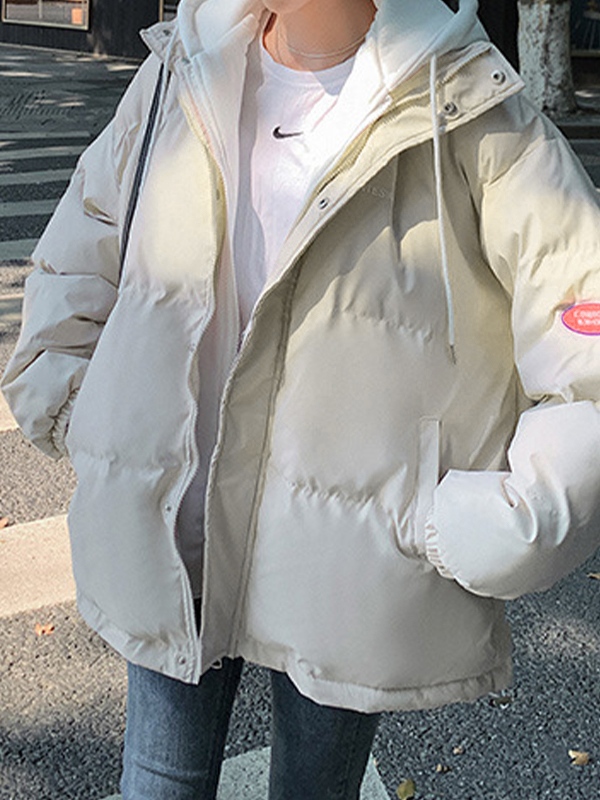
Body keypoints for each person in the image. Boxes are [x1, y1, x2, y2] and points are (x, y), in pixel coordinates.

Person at [3, 0, 600, 797]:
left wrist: (492, 519)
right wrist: (87, 411)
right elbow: (86, 237)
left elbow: (582, 325)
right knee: (158, 783)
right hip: (175, 527)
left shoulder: (464, 100)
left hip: (350, 555)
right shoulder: (185, 67)